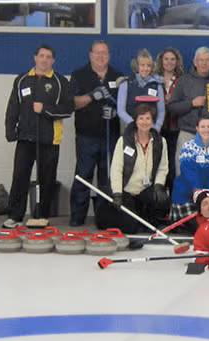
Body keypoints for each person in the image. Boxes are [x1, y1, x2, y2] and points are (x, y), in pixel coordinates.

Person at [3, 44, 73, 228]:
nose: (44, 60)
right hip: (26, 139)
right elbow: (12, 108)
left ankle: (41, 216)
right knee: (19, 177)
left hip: (49, 140)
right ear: (35, 58)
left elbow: (67, 109)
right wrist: (10, 132)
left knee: (46, 179)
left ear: (53, 60)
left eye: (48, 57)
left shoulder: (60, 82)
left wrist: (45, 109)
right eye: (41, 56)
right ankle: (15, 216)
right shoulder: (22, 80)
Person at [68, 40, 125, 226]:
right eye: (97, 53)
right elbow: (73, 103)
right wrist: (92, 96)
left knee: (107, 179)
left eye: (104, 53)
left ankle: (103, 219)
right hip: (86, 136)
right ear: (90, 54)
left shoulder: (118, 77)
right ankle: (77, 219)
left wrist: (117, 111)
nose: (101, 57)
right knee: (83, 177)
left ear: (109, 55)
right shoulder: (79, 75)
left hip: (111, 136)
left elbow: (126, 104)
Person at [99, 104, 169, 233]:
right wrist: (117, 194)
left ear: (153, 121)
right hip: (126, 191)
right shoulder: (124, 141)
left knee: (163, 200)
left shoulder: (160, 141)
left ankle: (148, 218)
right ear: (135, 121)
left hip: (146, 190)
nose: (144, 122)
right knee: (131, 228)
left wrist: (159, 186)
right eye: (141, 118)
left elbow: (163, 168)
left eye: (148, 118)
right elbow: (116, 169)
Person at [168, 46, 209, 177]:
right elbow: (172, 107)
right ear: (195, 62)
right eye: (201, 60)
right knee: (184, 175)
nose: (204, 63)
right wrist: (191, 103)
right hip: (188, 134)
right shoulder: (184, 81)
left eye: (207, 60)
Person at [170, 117, 209, 233]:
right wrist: (200, 193)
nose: (206, 130)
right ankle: (182, 222)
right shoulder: (188, 147)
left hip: (205, 198)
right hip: (186, 196)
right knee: (202, 229)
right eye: (202, 127)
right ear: (197, 128)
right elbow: (189, 173)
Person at [155, 46, 185, 192]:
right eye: (166, 59)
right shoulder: (154, 79)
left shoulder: (182, 80)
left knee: (173, 165)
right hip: (157, 129)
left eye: (172, 59)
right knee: (158, 164)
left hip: (175, 127)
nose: (169, 62)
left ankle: (173, 204)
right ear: (161, 61)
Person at [116, 48, 166, 132]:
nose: (145, 69)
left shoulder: (157, 86)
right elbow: (121, 111)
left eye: (148, 65)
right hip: (130, 129)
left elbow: (161, 111)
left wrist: (157, 127)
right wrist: (137, 125)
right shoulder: (125, 84)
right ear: (137, 66)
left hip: (151, 130)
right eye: (142, 65)